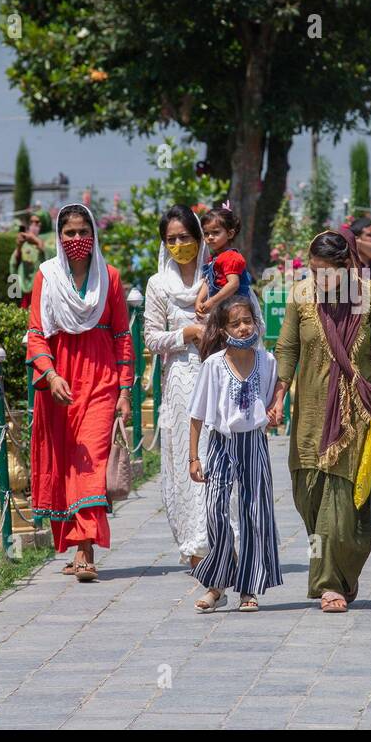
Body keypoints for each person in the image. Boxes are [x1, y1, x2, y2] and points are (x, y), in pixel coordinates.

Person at [270, 230, 371, 613]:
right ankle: (338, 572)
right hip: (309, 411)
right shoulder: (301, 295)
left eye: (328, 272)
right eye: (314, 271)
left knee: (346, 501)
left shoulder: (369, 296)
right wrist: (279, 391)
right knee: (310, 493)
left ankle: (329, 583)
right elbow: (287, 345)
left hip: (357, 412)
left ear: (348, 265)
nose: (320, 280)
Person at [26, 204, 134, 581]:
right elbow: (37, 333)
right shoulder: (47, 277)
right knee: (66, 461)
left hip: (101, 378)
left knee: (91, 460)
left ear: (93, 235)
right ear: (59, 236)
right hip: (60, 384)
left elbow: (122, 336)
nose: (76, 240)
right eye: (68, 233)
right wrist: (51, 375)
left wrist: (124, 391)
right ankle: (75, 546)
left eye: (82, 232)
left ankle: (86, 549)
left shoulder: (110, 277)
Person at [187, 296, 285, 612]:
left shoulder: (266, 361)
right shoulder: (213, 365)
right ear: (223, 328)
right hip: (220, 445)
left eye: (247, 321)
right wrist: (193, 457)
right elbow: (197, 414)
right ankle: (217, 584)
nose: (243, 328)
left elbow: (274, 395)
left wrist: (275, 409)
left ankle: (249, 588)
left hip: (254, 444)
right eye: (235, 323)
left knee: (254, 514)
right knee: (216, 511)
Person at [143, 205, 212, 568]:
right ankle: (195, 544)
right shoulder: (158, 285)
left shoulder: (217, 278)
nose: (179, 244)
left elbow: (251, 323)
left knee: (218, 458)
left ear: (198, 238)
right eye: (171, 239)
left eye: (185, 237)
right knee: (187, 462)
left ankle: (223, 537)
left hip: (218, 379)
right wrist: (185, 334)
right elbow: (151, 338)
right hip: (180, 383)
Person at [194, 204, 252, 317]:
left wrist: (212, 301)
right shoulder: (214, 258)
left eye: (215, 232)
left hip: (236, 309)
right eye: (206, 233)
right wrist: (199, 301)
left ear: (230, 234)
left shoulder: (231, 257)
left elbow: (233, 284)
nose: (210, 237)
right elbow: (209, 281)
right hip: (223, 308)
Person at [10, 212, 50, 308]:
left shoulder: (51, 238)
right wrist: (19, 246)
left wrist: (36, 241)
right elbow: (14, 262)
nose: (33, 225)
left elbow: (52, 255)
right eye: (31, 222)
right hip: (26, 290)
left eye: (37, 222)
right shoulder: (26, 241)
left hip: (43, 290)